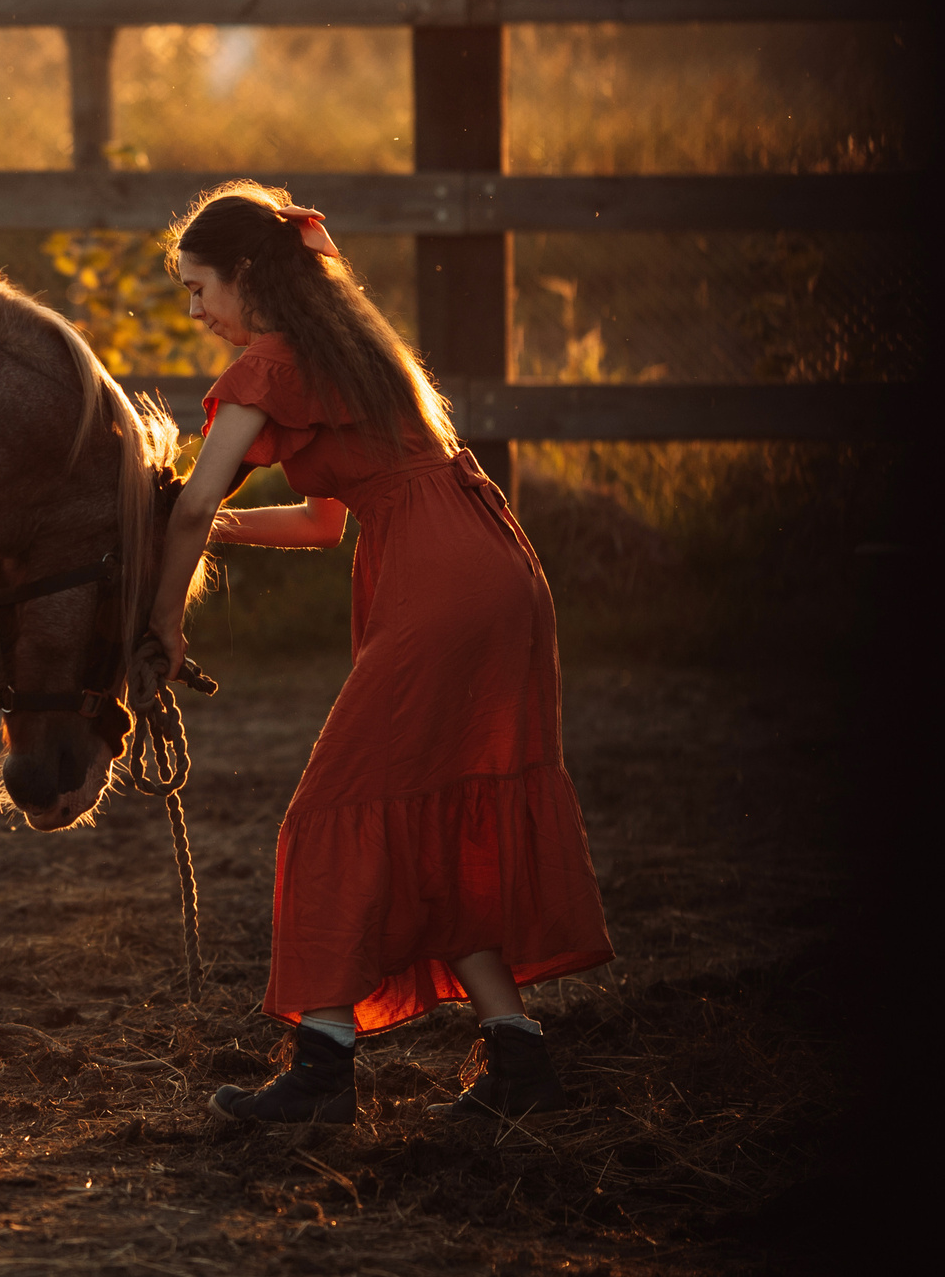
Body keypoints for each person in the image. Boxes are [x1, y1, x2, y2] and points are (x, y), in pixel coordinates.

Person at [146, 182, 613, 1124]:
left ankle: (321, 1070)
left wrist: (163, 626)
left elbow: (188, 504)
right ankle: (518, 1057)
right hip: (492, 563)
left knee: (336, 809)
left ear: (244, 274)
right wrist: (226, 528)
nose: (193, 312)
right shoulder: (351, 347)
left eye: (199, 289)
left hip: (438, 583)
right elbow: (326, 525)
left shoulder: (268, 365)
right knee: (439, 807)